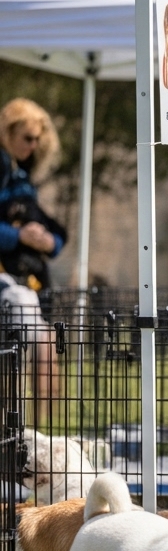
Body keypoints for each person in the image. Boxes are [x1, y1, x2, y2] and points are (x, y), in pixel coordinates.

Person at [0, 98, 66, 419]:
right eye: (27, 138)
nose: (33, 144)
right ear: (7, 133)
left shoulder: (22, 175)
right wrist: (18, 236)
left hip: (31, 280)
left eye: (38, 138)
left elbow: (56, 234)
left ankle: (40, 431)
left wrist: (47, 240)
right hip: (8, 284)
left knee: (45, 347)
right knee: (18, 356)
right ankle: (12, 432)